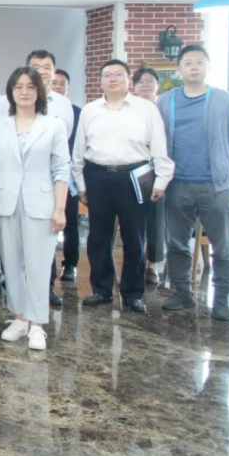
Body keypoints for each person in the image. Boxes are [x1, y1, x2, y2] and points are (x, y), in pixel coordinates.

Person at [72, 59, 173, 314]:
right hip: (97, 176)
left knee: (134, 237)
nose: (113, 79)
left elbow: (159, 147)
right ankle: (101, 289)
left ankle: (133, 293)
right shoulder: (90, 110)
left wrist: (161, 180)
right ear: (101, 81)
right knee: (98, 237)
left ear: (128, 79)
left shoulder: (146, 109)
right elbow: (79, 152)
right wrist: (81, 184)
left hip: (135, 177)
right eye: (107, 75)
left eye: (118, 74)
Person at [0, 67, 70, 351]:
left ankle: (37, 324)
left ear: (39, 91)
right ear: (10, 91)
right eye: (18, 87)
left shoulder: (53, 125)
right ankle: (19, 318)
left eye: (30, 86)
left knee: (39, 265)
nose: (24, 92)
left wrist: (60, 208)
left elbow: (61, 169)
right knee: (10, 263)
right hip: (5, 201)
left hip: (41, 203)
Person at [156, 46, 229, 321]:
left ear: (208, 67)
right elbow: (159, 141)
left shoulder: (224, 100)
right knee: (177, 243)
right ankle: (182, 293)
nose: (194, 67)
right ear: (179, 69)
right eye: (188, 62)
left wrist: (219, 168)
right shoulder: (165, 101)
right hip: (177, 183)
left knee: (222, 246)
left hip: (215, 186)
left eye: (200, 62)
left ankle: (222, 300)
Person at [0, 50, 74, 144]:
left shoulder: (64, 103)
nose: (41, 72)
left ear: (54, 72)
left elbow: (64, 136)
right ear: (27, 71)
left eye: (47, 67)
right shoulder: (6, 102)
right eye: (36, 68)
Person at [133, 66, 165, 285]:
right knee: (135, 219)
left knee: (155, 218)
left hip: (158, 169)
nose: (145, 85)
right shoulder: (130, 109)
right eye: (140, 82)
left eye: (150, 81)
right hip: (134, 170)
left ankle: (152, 264)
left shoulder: (164, 108)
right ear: (134, 87)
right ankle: (135, 263)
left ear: (157, 85)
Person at [50, 69, 83, 285]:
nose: (58, 86)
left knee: (70, 221)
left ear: (67, 88)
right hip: (44, 175)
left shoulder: (77, 112)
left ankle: (70, 264)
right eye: (54, 83)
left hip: (67, 175)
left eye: (62, 83)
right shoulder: (40, 109)